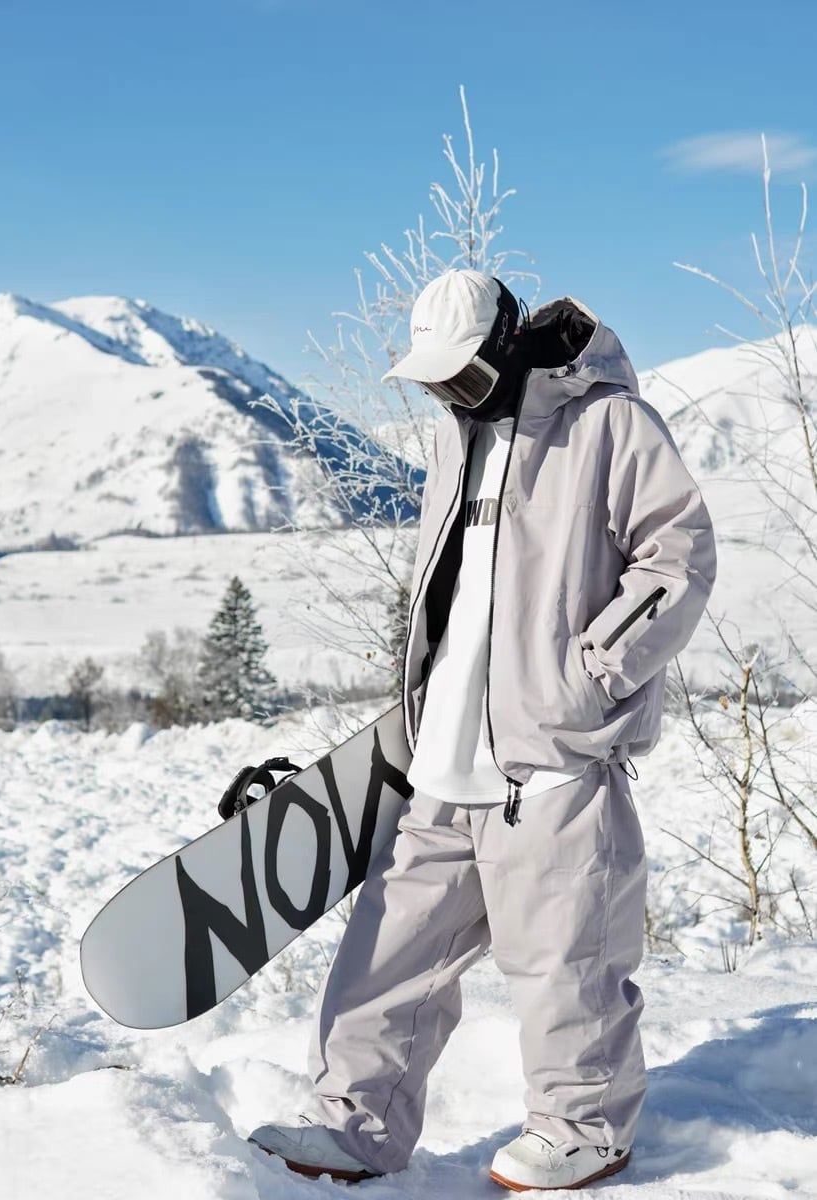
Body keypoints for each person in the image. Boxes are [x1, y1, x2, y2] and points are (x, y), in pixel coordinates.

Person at [249, 269, 717, 1189]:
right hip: (447, 763)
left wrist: (593, 672)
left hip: (550, 765)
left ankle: (584, 1128)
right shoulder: (456, 434)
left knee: (566, 966)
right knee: (382, 963)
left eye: (462, 375)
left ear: (509, 347)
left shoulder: (609, 424)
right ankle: (356, 1126)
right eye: (434, 382)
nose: (449, 394)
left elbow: (680, 556)